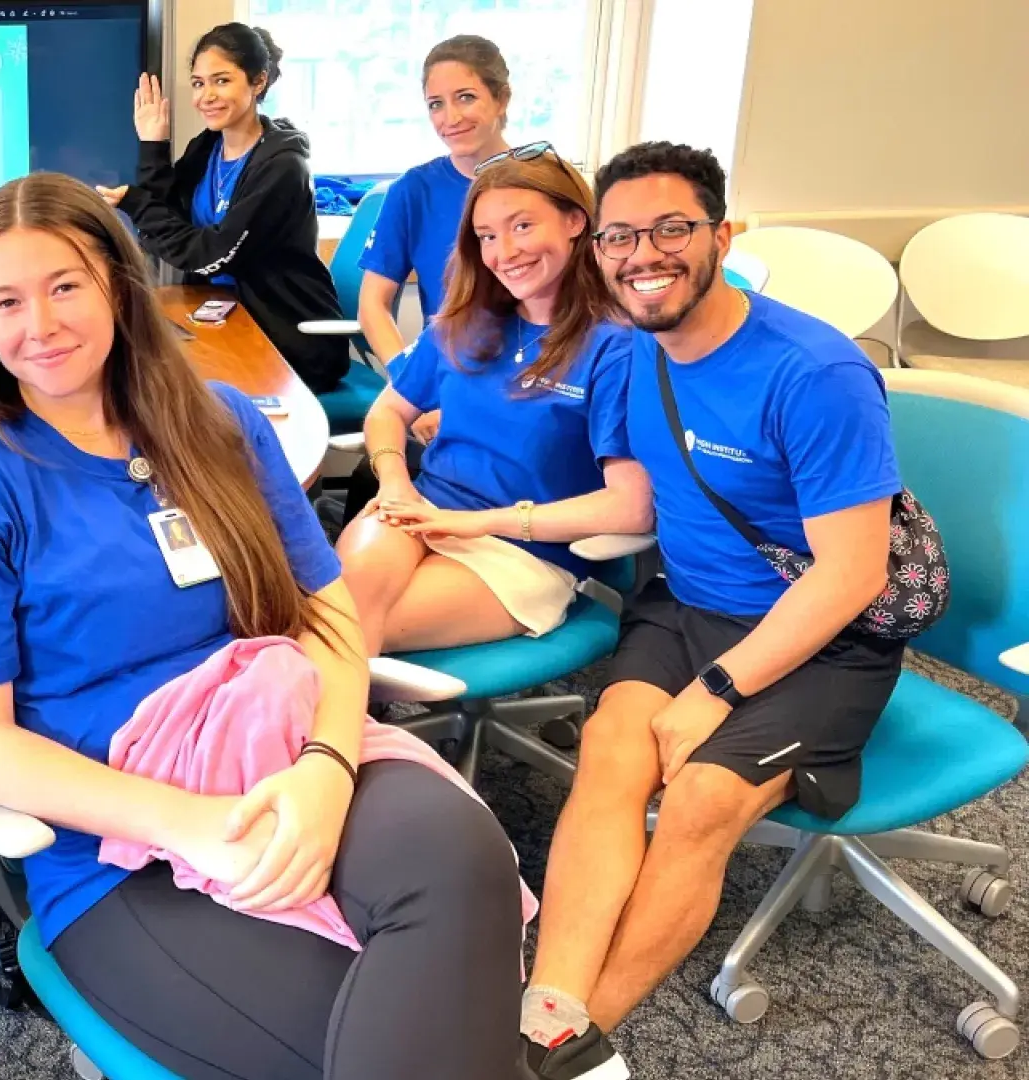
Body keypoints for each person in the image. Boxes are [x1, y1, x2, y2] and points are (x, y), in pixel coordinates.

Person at [0, 171, 525, 1080]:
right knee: (393, 1039)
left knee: (463, 865)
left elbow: (326, 612)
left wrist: (327, 769)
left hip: (286, 749)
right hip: (123, 847)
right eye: (7, 301)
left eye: (65, 285)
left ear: (114, 280)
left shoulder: (218, 423)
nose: (41, 324)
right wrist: (188, 823)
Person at [521, 143, 904, 1080]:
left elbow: (852, 575)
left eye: (671, 229)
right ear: (597, 249)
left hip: (822, 636)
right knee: (611, 752)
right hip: (689, 606)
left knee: (697, 799)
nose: (643, 253)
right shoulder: (630, 354)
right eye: (620, 235)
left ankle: (564, 1053)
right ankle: (542, 1017)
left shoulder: (813, 372)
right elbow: (635, 500)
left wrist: (715, 692)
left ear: (721, 236)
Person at [336, 147, 649, 657]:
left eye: (522, 226)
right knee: (333, 616)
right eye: (486, 236)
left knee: (336, 629)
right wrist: (395, 483)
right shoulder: (466, 321)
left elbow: (632, 507)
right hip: (424, 509)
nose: (504, 252)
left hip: (526, 548)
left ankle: (328, 734)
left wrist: (480, 523)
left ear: (575, 221)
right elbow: (388, 411)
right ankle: (344, 733)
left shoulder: (615, 345)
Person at [95, 23, 349, 394]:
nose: (206, 96)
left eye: (221, 80)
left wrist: (136, 204)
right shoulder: (208, 146)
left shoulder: (282, 168)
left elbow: (211, 254)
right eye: (199, 83)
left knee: (169, 394)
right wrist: (153, 144)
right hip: (230, 319)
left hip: (289, 336)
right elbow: (166, 220)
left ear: (258, 81)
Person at [356, 34, 515, 450]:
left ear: (501, 99)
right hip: (441, 381)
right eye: (435, 104)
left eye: (466, 97)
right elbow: (373, 304)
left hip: (526, 387)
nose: (450, 118)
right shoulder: (414, 190)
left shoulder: (547, 185)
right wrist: (413, 384)